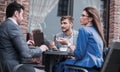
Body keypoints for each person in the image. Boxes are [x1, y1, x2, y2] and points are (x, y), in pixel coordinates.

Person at [54, 7, 106, 72]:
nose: (80, 17)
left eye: (83, 15)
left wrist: (68, 44)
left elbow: (79, 55)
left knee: (58, 65)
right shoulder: (97, 32)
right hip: (95, 68)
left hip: (85, 68)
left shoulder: (84, 30)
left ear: (90, 18)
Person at [0, 1, 48, 72]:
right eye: (22, 15)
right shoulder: (13, 27)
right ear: (16, 14)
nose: (23, 18)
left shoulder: (3, 26)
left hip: (5, 65)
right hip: (13, 67)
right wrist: (41, 49)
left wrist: (25, 44)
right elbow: (26, 53)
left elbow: (8, 46)